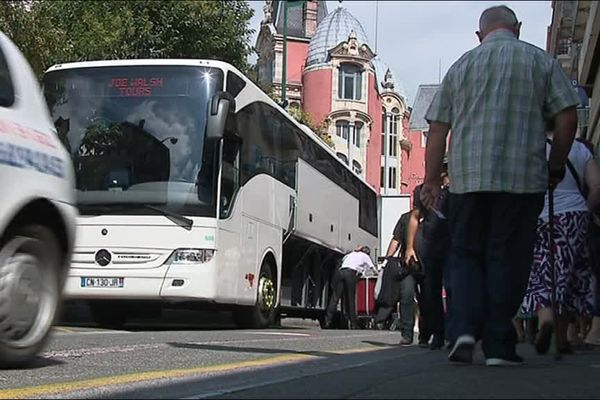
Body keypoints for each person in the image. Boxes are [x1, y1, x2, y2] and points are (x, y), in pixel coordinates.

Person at [421, 5, 580, 366]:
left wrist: (432, 180)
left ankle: (462, 329)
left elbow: (437, 129)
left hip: (467, 181)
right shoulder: (540, 62)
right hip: (521, 181)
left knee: (464, 255)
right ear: (518, 28)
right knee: (507, 257)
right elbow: (567, 116)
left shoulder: (461, 66)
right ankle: (498, 345)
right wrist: (555, 167)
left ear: (480, 35)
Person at [520, 123, 600, 355]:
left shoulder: (530, 149)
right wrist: (586, 209)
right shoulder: (580, 149)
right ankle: (563, 338)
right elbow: (596, 187)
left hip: (540, 215)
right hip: (575, 214)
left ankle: (546, 320)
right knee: (569, 274)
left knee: (543, 271)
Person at [406, 160, 451, 350]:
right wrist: (410, 247)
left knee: (454, 289)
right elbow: (414, 217)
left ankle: (454, 333)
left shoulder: (457, 191)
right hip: (429, 245)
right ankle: (437, 334)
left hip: (453, 245)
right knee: (430, 293)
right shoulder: (423, 190)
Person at [374, 211, 417, 345]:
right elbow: (396, 239)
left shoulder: (434, 216)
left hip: (429, 263)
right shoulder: (405, 218)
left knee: (429, 298)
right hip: (408, 265)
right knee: (406, 296)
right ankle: (407, 334)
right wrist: (387, 259)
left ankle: (432, 334)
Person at [324, 246, 375, 329]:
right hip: (350, 274)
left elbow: (343, 262)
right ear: (367, 253)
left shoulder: (350, 254)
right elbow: (373, 269)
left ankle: (327, 321)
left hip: (340, 272)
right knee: (350, 299)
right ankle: (353, 323)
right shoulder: (365, 256)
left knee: (335, 297)